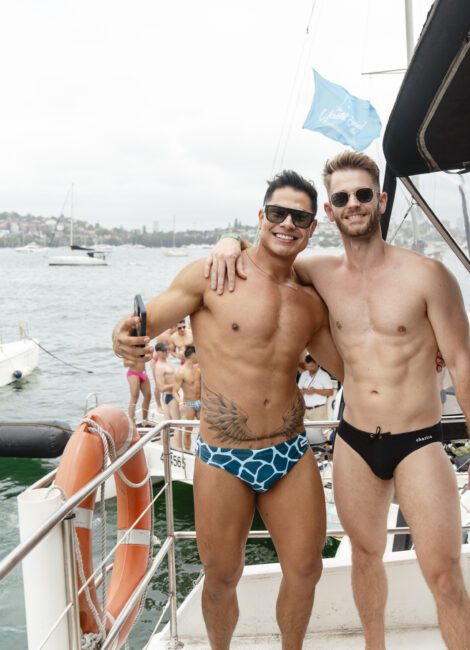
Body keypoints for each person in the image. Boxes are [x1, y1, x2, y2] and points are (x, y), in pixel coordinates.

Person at [207, 151, 470, 650]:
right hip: (354, 439)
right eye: (341, 197)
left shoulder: (427, 275)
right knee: (365, 558)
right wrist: (227, 241)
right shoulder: (317, 270)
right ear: (329, 210)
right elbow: (266, 257)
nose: (354, 204)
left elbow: (462, 364)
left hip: (418, 440)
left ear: (381, 201)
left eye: (363, 194)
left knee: (445, 574)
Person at [112, 170, 344, 650]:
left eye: (299, 217)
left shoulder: (311, 303)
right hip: (222, 456)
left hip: (289, 451)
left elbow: (347, 364)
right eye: (277, 213)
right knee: (221, 577)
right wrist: (122, 335)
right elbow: (145, 320)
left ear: (311, 226)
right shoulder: (213, 274)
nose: (287, 224)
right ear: (261, 217)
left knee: (305, 568)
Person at [298, 355, 334, 444]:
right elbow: (298, 391)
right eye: (308, 366)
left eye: (312, 366)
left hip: (319, 409)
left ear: (317, 364)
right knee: (305, 433)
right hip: (305, 409)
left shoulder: (324, 375)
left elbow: (330, 392)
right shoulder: (304, 374)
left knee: (321, 433)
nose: (309, 368)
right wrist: (306, 391)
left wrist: (315, 391)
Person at [172, 344, 202, 451]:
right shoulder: (181, 372)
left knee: (205, 429)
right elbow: (174, 391)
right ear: (192, 355)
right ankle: (188, 451)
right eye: (197, 354)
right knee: (188, 431)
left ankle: (201, 451)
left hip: (200, 402)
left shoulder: (199, 368)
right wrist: (180, 403)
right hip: (189, 404)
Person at [152, 342, 180, 422]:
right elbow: (161, 388)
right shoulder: (159, 367)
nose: (166, 352)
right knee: (177, 424)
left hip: (173, 394)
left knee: (167, 423)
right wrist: (175, 384)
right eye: (164, 351)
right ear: (158, 352)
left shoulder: (168, 361)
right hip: (169, 396)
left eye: (167, 350)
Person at [124, 358, 151, 423]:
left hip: (143, 373)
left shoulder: (143, 348)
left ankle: (145, 419)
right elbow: (125, 363)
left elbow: (149, 357)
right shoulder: (130, 349)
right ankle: (131, 423)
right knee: (134, 397)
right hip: (133, 374)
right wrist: (137, 360)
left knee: (148, 396)